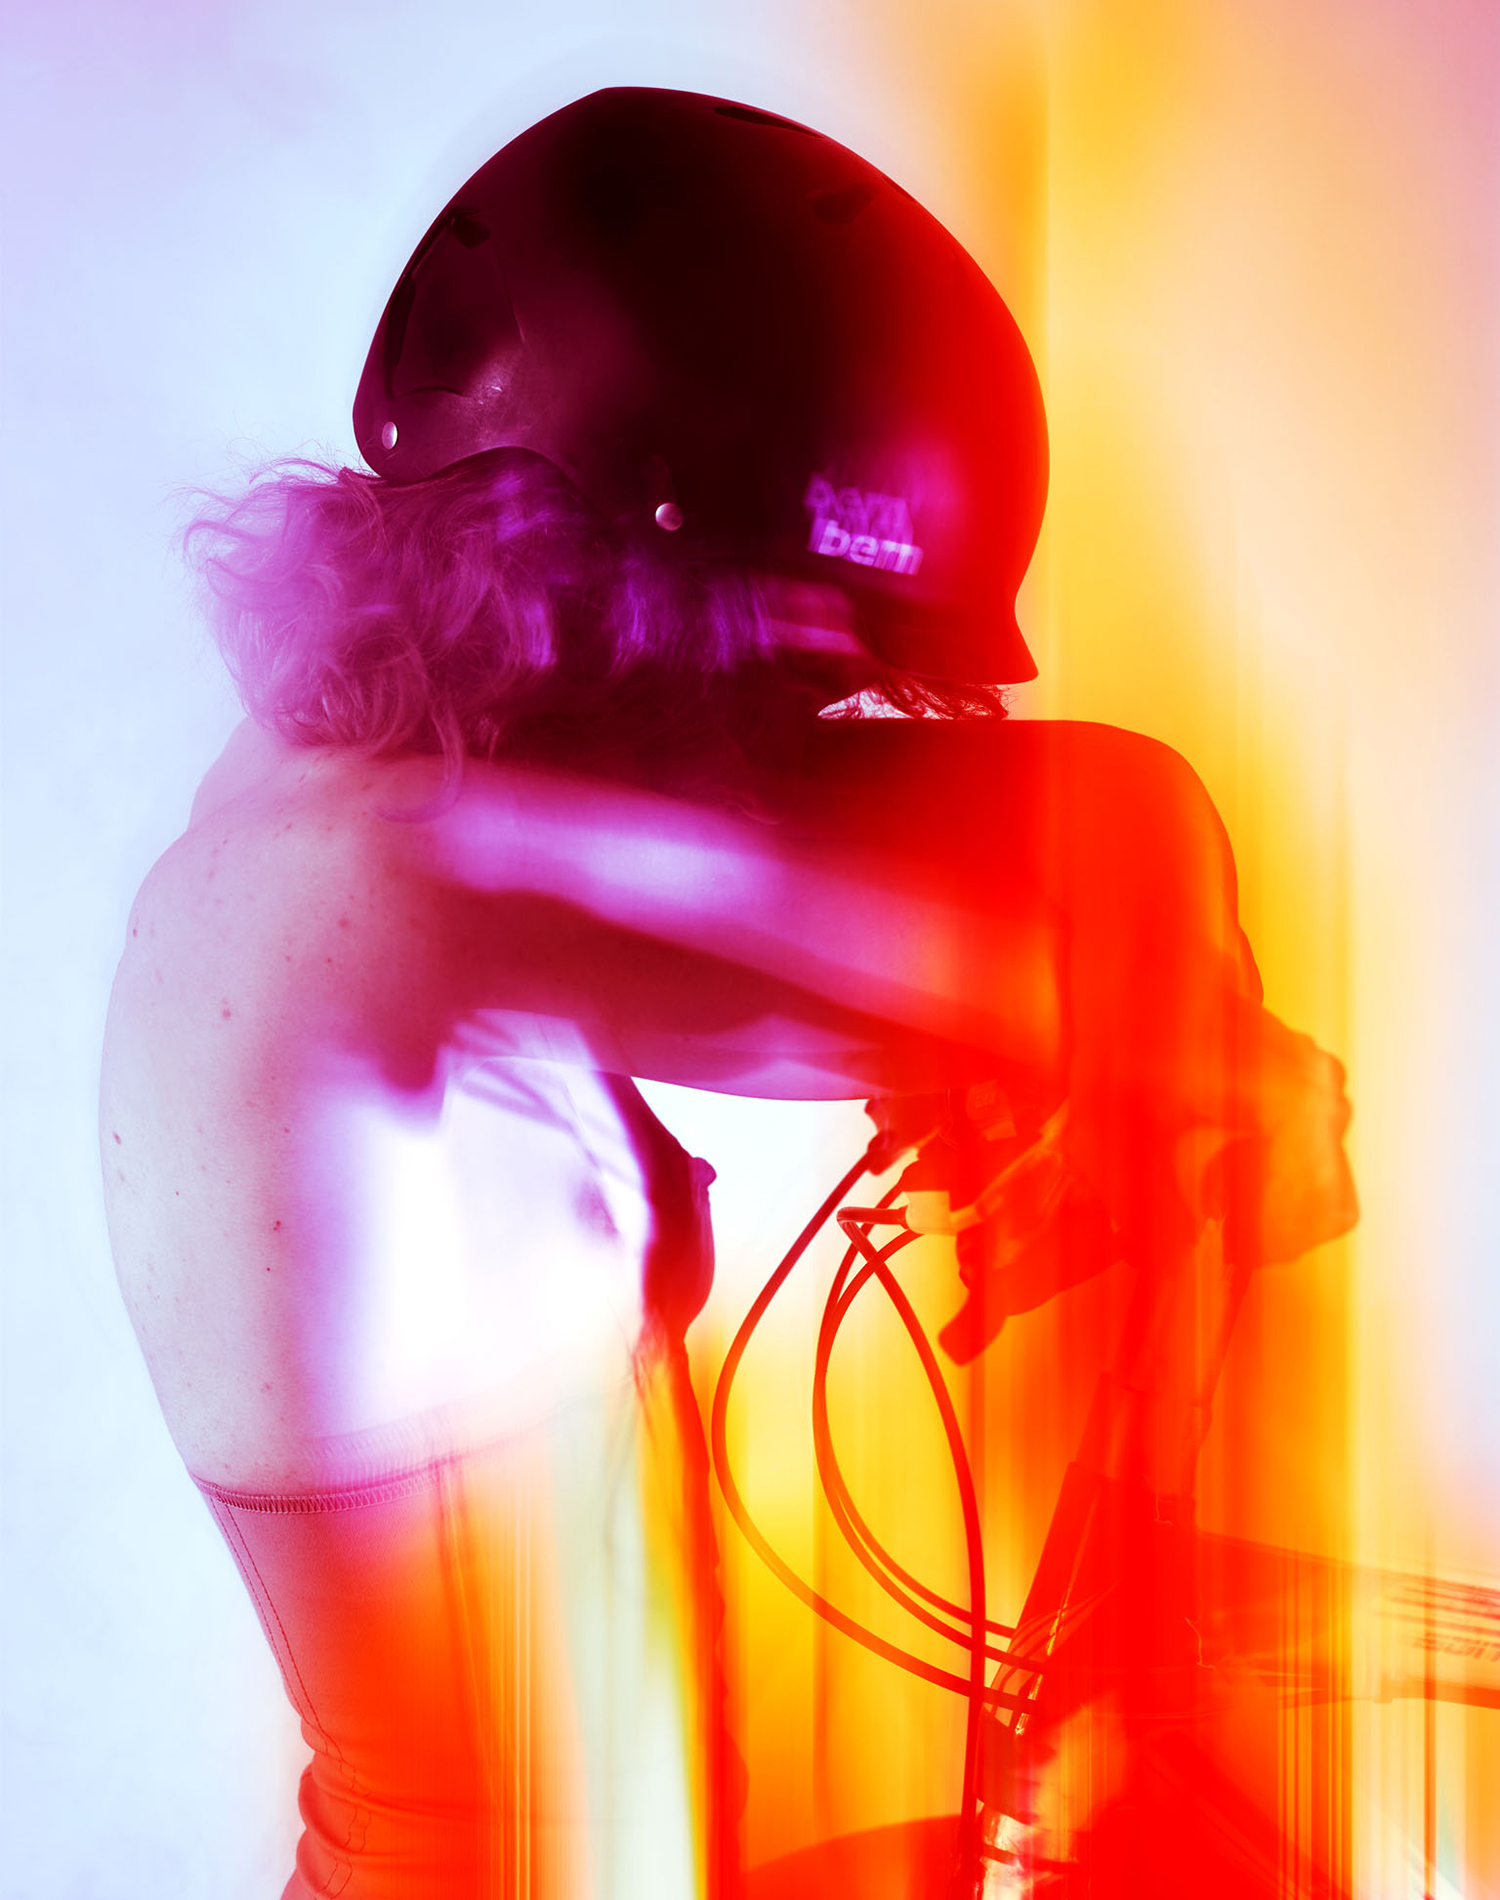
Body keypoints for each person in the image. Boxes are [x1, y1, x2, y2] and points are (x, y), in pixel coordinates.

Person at [99, 88, 1355, 1900]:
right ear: (647, 578)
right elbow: (1113, 853)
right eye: (809, 649)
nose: (821, 725)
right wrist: (1193, 1070)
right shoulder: (395, 890)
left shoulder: (368, 789)